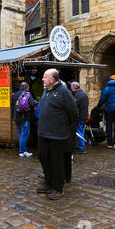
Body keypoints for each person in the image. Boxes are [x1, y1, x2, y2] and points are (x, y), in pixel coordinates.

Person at [37, 69, 78, 200]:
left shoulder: (64, 92)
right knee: (43, 156)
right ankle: (48, 181)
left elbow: (73, 114)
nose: (42, 79)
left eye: (44, 77)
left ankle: (58, 187)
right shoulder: (46, 91)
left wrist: (66, 129)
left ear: (52, 80)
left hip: (57, 134)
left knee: (57, 161)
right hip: (44, 133)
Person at [97, 75, 115, 150]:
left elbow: (102, 99)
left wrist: (98, 106)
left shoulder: (107, 88)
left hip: (109, 110)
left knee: (109, 126)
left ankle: (109, 143)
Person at [12, 82, 37, 157]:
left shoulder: (15, 94)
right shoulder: (27, 94)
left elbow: (12, 105)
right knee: (24, 134)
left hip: (17, 117)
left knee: (20, 134)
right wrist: (35, 102)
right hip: (25, 118)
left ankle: (21, 150)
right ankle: (23, 151)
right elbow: (32, 104)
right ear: (27, 87)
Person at [71, 82, 89, 154]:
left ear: (73, 88)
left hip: (80, 117)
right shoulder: (83, 94)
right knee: (81, 131)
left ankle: (82, 148)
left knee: (79, 132)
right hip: (84, 116)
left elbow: (75, 108)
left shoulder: (77, 96)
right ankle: (80, 145)